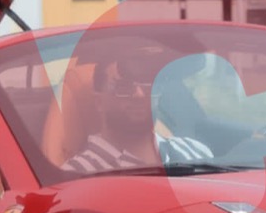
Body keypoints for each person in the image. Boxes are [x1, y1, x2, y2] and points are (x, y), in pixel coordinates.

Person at [62, 55, 212, 174]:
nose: (139, 95)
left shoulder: (196, 152)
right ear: (99, 102)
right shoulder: (76, 173)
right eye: (123, 87)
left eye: (148, 85)